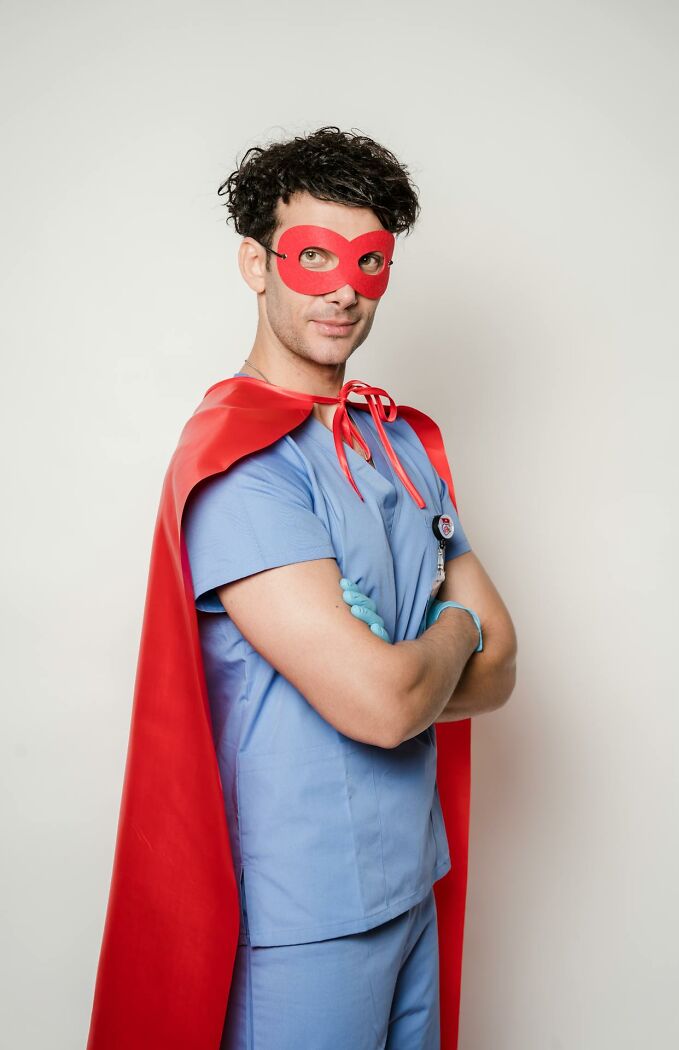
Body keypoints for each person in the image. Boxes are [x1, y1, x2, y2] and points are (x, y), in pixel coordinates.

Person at [177, 127, 518, 1048]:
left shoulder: (397, 443)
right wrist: (453, 630)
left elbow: (505, 669)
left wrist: (418, 653)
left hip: (413, 880)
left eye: (370, 263)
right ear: (256, 261)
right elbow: (383, 705)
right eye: (313, 255)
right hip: (303, 914)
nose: (342, 289)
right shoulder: (244, 469)